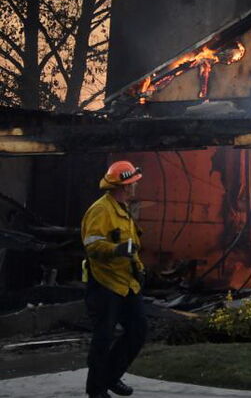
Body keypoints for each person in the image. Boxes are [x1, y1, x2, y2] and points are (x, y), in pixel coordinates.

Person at [81, 161, 147, 398]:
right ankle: (96, 390)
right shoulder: (101, 210)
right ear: (123, 186)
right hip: (105, 283)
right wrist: (116, 250)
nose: (136, 186)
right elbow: (92, 245)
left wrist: (139, 269)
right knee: (103, 337)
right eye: (132, 183)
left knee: (138, 330)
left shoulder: (122, 208)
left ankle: (110, 376)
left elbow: (133, 247)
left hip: (127, 283)